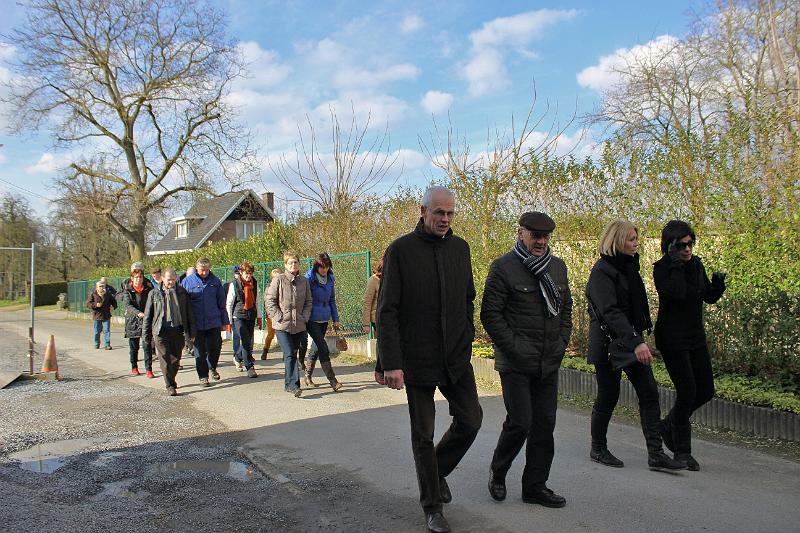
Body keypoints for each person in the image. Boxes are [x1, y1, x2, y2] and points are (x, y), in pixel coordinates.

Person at [375, 186, 482, 533]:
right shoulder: (401, 251)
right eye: (439, 213)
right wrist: (390, 362)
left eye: (450, 213)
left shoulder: (460, 249)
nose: (445, 219)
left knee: (472, 419)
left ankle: (435, 473)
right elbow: (387, 309)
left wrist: (466, 335)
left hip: (454, 357)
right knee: (423, 434)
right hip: (416, 360)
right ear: (423, 211)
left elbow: (468, 297)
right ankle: (432, 508)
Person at [480, 212, 572, 507]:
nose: (541, 241)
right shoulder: (503, 268)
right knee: (521, 421)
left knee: (544, 426)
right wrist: (516, 349)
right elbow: (490, 316)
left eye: (545, 237)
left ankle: (535, 486)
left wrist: (561, 344)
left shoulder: (557, 268)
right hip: (516, 362)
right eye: (535, 236)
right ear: (521, 234)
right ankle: (498, 471)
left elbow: (566, 311)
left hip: (548, 361)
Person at [585, 219, 685, 472]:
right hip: (609, 342)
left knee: (649, 392)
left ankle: (655, 454)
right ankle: (598, 448)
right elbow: (610, 312)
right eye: (631, 239)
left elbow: (632, 307)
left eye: (635, 238)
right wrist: (637, 341)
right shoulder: (602, 271)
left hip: (630, 339)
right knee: (608, 395)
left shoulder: (629, 265)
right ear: (617, 241)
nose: (636, 242)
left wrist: (638, 337)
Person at [654, 220, 726, 471]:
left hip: (695, 336)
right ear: (669, 246)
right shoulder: (662, 268)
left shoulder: (696, 265)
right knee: (687, 390)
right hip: (672, 337)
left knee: (705, 390)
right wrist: (674, 264)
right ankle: (683, 451)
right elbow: (675, 294)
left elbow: (706, 295)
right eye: (681, 245)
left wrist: (717, 286)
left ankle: (668, 424)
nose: (687, 249)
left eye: (690, 243)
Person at [143, 267, 196, 396]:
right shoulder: (154, 293)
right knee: (165, 359)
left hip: (177, 330)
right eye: (168, 280)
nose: (171, 282)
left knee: (175, 359)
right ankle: (170, 385)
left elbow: (189, 314)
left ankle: (171, 379)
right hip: (160, 330)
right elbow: (148, 315)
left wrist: (192, 332)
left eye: (173, 279)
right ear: (162, 279)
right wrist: (146, 333)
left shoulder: (182, 292)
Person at [266, 251, 312, 398]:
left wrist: (304, 317)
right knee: (290, 353)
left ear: (299, 264)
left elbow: (308, 302)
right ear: (285, 265)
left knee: (293, 353)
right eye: (290, 262)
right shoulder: (278, 280)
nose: (293, 265)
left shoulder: (304, 281)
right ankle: (294, 386)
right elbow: (270, 300)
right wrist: (279, 317)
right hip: (282, 325)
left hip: (298, 324)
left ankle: (288, 383)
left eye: (296, 262)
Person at [181, 257, 228, 387]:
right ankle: (203, 376)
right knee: (199, 351)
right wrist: (185, 325)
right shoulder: (187, 282)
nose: (205, 273)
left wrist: (224, 321)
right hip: (196, 324)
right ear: (196, 268)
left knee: (216, 347)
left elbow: (221, 302)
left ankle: (212, 366)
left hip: (213, 321)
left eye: (207, 270)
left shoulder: (215, 281)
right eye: (202, 270)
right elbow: (182, 304)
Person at [303, 252, 344, 391]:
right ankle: (333, 381)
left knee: (316, 346)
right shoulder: (309, 279)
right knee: (323, 346)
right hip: (311, 318)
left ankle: (307, 376)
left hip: (324, 318)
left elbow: (332, 300)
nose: (324, 270)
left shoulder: (330, 278)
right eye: (322, 267)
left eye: (327, 267)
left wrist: (336, 319)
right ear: (316, 266)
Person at [226, 261, 261, 378]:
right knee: (246, 340)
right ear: (241, 272)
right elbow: (229, 303)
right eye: (246, 273)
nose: (248, 276)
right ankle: (249, 367)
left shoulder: (254, 284)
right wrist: (229, 321)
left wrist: (260, 317)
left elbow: (257, 301)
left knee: (248, 341)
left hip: (251, 315)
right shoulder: (234, 284)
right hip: (238, 316)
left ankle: (237, 357)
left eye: (250, 273)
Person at [122, 262, 155, 377]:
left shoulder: (148, 288)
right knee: (134, 347)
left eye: (140, 277)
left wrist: (149, 313)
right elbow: (128, 305)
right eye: (136, 277)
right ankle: (134, 367)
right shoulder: (127, 290)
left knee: (147, 346)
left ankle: (149, 369)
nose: (138, 279)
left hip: (146, 320)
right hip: (133, 321)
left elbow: (152, 301)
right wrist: (138, 313)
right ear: (132, 278)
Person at [87, 279, 117, 349]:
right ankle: (97, 343)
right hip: (97, 316)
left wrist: (113, 307)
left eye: (103, 286)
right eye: (100, 286)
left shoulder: (107, 294)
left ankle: (107, 344)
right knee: (97, 331)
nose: (102, 288)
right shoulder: (93, 294)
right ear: (96, 287)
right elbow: (88, 304)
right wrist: (95, 305)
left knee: (107, 331)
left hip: (106, 315)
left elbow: (114, 302)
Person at [259, 269, 280, 359]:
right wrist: (270, 314)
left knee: (283, 335)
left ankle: (286, 354)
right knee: (271, 334)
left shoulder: (284, 286)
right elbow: (267, 303)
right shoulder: (269, 288)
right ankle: (265, 350)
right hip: (271, 315)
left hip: (282, 314)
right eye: (275, 277)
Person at [362, 257, 382, 337]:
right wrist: (366, 324)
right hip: (377, 318)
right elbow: (367, 302)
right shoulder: (373, 280)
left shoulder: (392, 279)